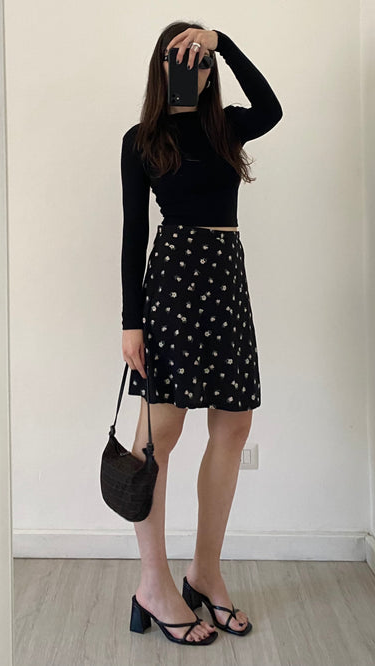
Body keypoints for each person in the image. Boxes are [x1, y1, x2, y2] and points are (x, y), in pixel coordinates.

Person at [121, 20, 282, 646]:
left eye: (198, 59)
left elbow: (271, 108)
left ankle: (204, 572)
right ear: (160, 68)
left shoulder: (226, 127)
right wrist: (131, 322)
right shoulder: (141, 140)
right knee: (158, 438)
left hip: (225, 280)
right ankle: (153, 583)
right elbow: (134, 234)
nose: (189, 67)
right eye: (177, 57)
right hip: (173, 285)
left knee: (234, 426)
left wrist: (224, 41)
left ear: (210, 70)